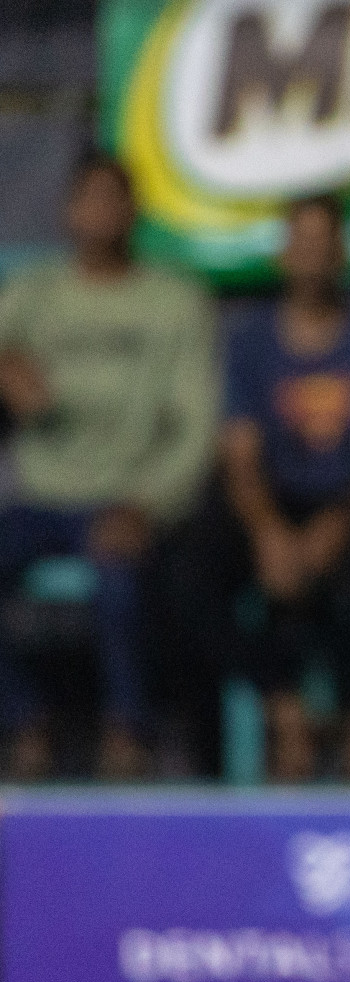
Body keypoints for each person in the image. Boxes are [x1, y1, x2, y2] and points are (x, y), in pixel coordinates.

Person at [0, 152, 219, 779]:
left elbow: (196, 429)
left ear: (133, 212)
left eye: (112, 198)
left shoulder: (172, 302)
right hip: (41, 498)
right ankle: (24, 720)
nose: (100, 211)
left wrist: (150, 503)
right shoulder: (30, 296)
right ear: (68, 211)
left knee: (122, 573)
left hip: (129, 496)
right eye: (88, 198)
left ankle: (129, 729)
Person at [221, 194, 350, 781]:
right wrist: (268, 533)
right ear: (282, 253)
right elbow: (238, 456)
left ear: (344, 252)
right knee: (194, 568)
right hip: (275, 501)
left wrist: (342, 521)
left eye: (325, 239)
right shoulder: (250, 338)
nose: (313, 253)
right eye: (301, 239)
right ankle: (283, 713)